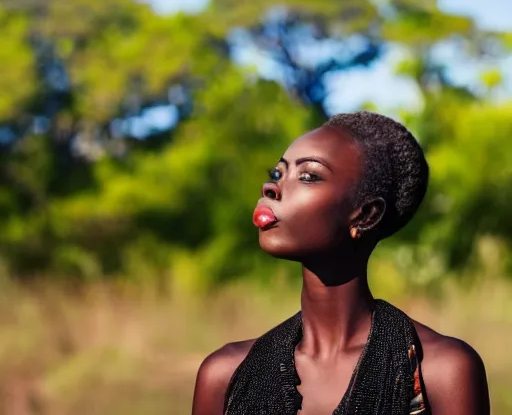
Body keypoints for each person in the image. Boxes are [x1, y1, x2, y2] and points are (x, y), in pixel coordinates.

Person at [192, 111, 490, 415]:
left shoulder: (441, 371)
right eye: (277, 174)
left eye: (308, 176)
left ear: (365, 215)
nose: (271, 188)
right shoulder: (225, 375)